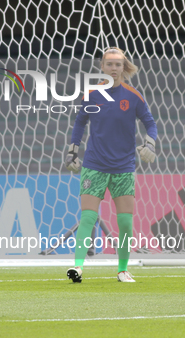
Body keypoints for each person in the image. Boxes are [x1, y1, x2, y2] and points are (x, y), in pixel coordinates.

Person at [64, 47, 157, 283]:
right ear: (102, 67)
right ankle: (77, 267)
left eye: (117, 64)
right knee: (87, 217)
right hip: (94, 165)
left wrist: (151, 143)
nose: (113, 68)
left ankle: (122, 270)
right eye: (109, 64)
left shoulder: (133, 96)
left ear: (124, 67)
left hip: (123, 167)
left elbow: (150, 123)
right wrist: (73, 151)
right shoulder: (92, 95)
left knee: (125, 222)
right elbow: (79, 123)